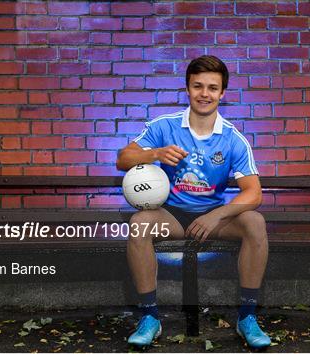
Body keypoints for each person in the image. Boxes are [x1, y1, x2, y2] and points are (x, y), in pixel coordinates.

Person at [116, 55, 270, 349]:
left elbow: (254, 192)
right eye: (197, 86)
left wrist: (217, 216)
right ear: (187, 89)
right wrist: (155, 154)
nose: (204, 93)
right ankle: (150, 318)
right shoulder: (166, 127)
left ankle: (247, 317)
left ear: (222, 93)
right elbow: (123, 158)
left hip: (213, 216)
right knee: (138, 225)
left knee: (255, 221)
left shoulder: (233, 139)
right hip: (170, 215)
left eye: (212, 88)